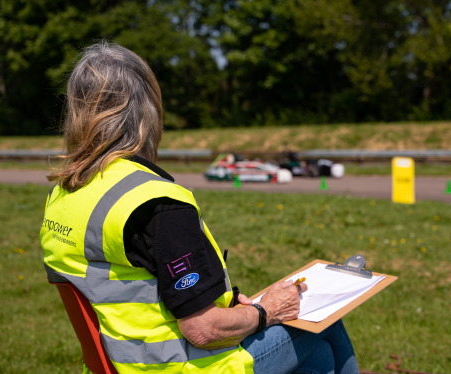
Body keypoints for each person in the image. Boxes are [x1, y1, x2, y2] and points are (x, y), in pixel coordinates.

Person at [39, 40, 358, 374]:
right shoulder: (156, 203)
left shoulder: (63, 196)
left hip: (127, 363)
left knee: (319, 357)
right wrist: (268, 311)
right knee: (325, 321)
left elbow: (129, 285)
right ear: (148, 112)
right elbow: (203, 329)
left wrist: (231, 305)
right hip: (187, 366)